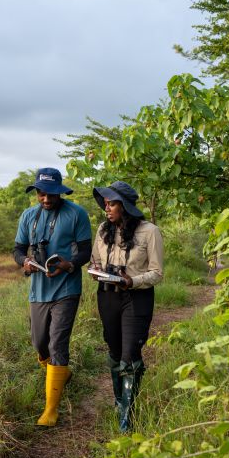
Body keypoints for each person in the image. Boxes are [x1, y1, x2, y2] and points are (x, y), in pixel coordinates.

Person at [13, 168, 92, 427]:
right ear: (37, 192)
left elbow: (85, 251)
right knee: (39, 343)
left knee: (58, 343)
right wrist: (24, 262)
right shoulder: (28, 216)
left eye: (51, 194)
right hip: (38, 288)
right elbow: (18, 249)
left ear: (61, 191)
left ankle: (51, 410)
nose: (46, 199)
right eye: (41, 193)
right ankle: (61, 373)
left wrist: (68, 265)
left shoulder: (76, 214)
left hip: (67, 289)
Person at [90, 181, 163, 432]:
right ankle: (120, 400)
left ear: (126, 206)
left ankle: (127, 417)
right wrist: (96, 271)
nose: (106, 208)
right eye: (106, 203)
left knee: (130, 355)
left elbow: (156, 273)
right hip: (107, 295)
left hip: (137, 297)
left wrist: (132, 280)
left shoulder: (150, 231)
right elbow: (95, 261)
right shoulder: (102, 230)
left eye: (112, 203)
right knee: (114, 349)